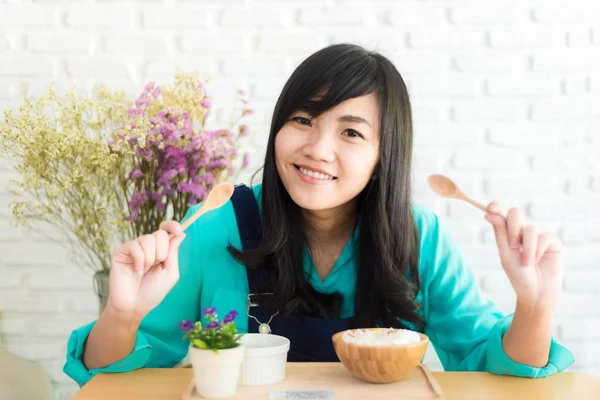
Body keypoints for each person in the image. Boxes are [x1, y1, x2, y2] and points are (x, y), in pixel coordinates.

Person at [64, 44, 574, 387]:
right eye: (303, 119)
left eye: (351, 132)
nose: (317, 148)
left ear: (383, 157)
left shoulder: (418, 236)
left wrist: (535, 303)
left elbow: (493, 365)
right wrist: (124, 314)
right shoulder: (216, 224)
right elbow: (118, 377)